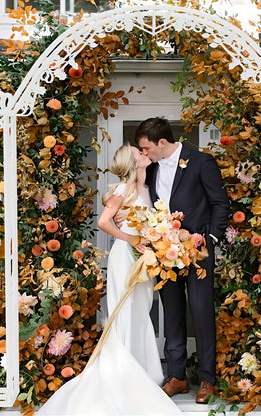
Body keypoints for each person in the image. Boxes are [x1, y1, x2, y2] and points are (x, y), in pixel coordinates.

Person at [36, 143, 182, 415]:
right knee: (124, 313)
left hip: (142, 259)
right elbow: (104, 222)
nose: (144, 153)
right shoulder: (122, 189)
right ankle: (124, 373)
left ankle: (143, 368)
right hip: (124, 258)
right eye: (139, 152)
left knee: (141, 311)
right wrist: (132, 239)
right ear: (133, 162)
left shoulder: (148, 190)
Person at [135, 117, 230, 404]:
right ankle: (176, 376)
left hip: (198, 249)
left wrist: (209, 238)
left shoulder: (201, 162)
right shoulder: (150, 169)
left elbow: (220, 203)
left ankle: (206, 379)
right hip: (164, 253)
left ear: (161, 143)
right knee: (171, 313)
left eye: (146, 148)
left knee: (200, 313)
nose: (144, 153)